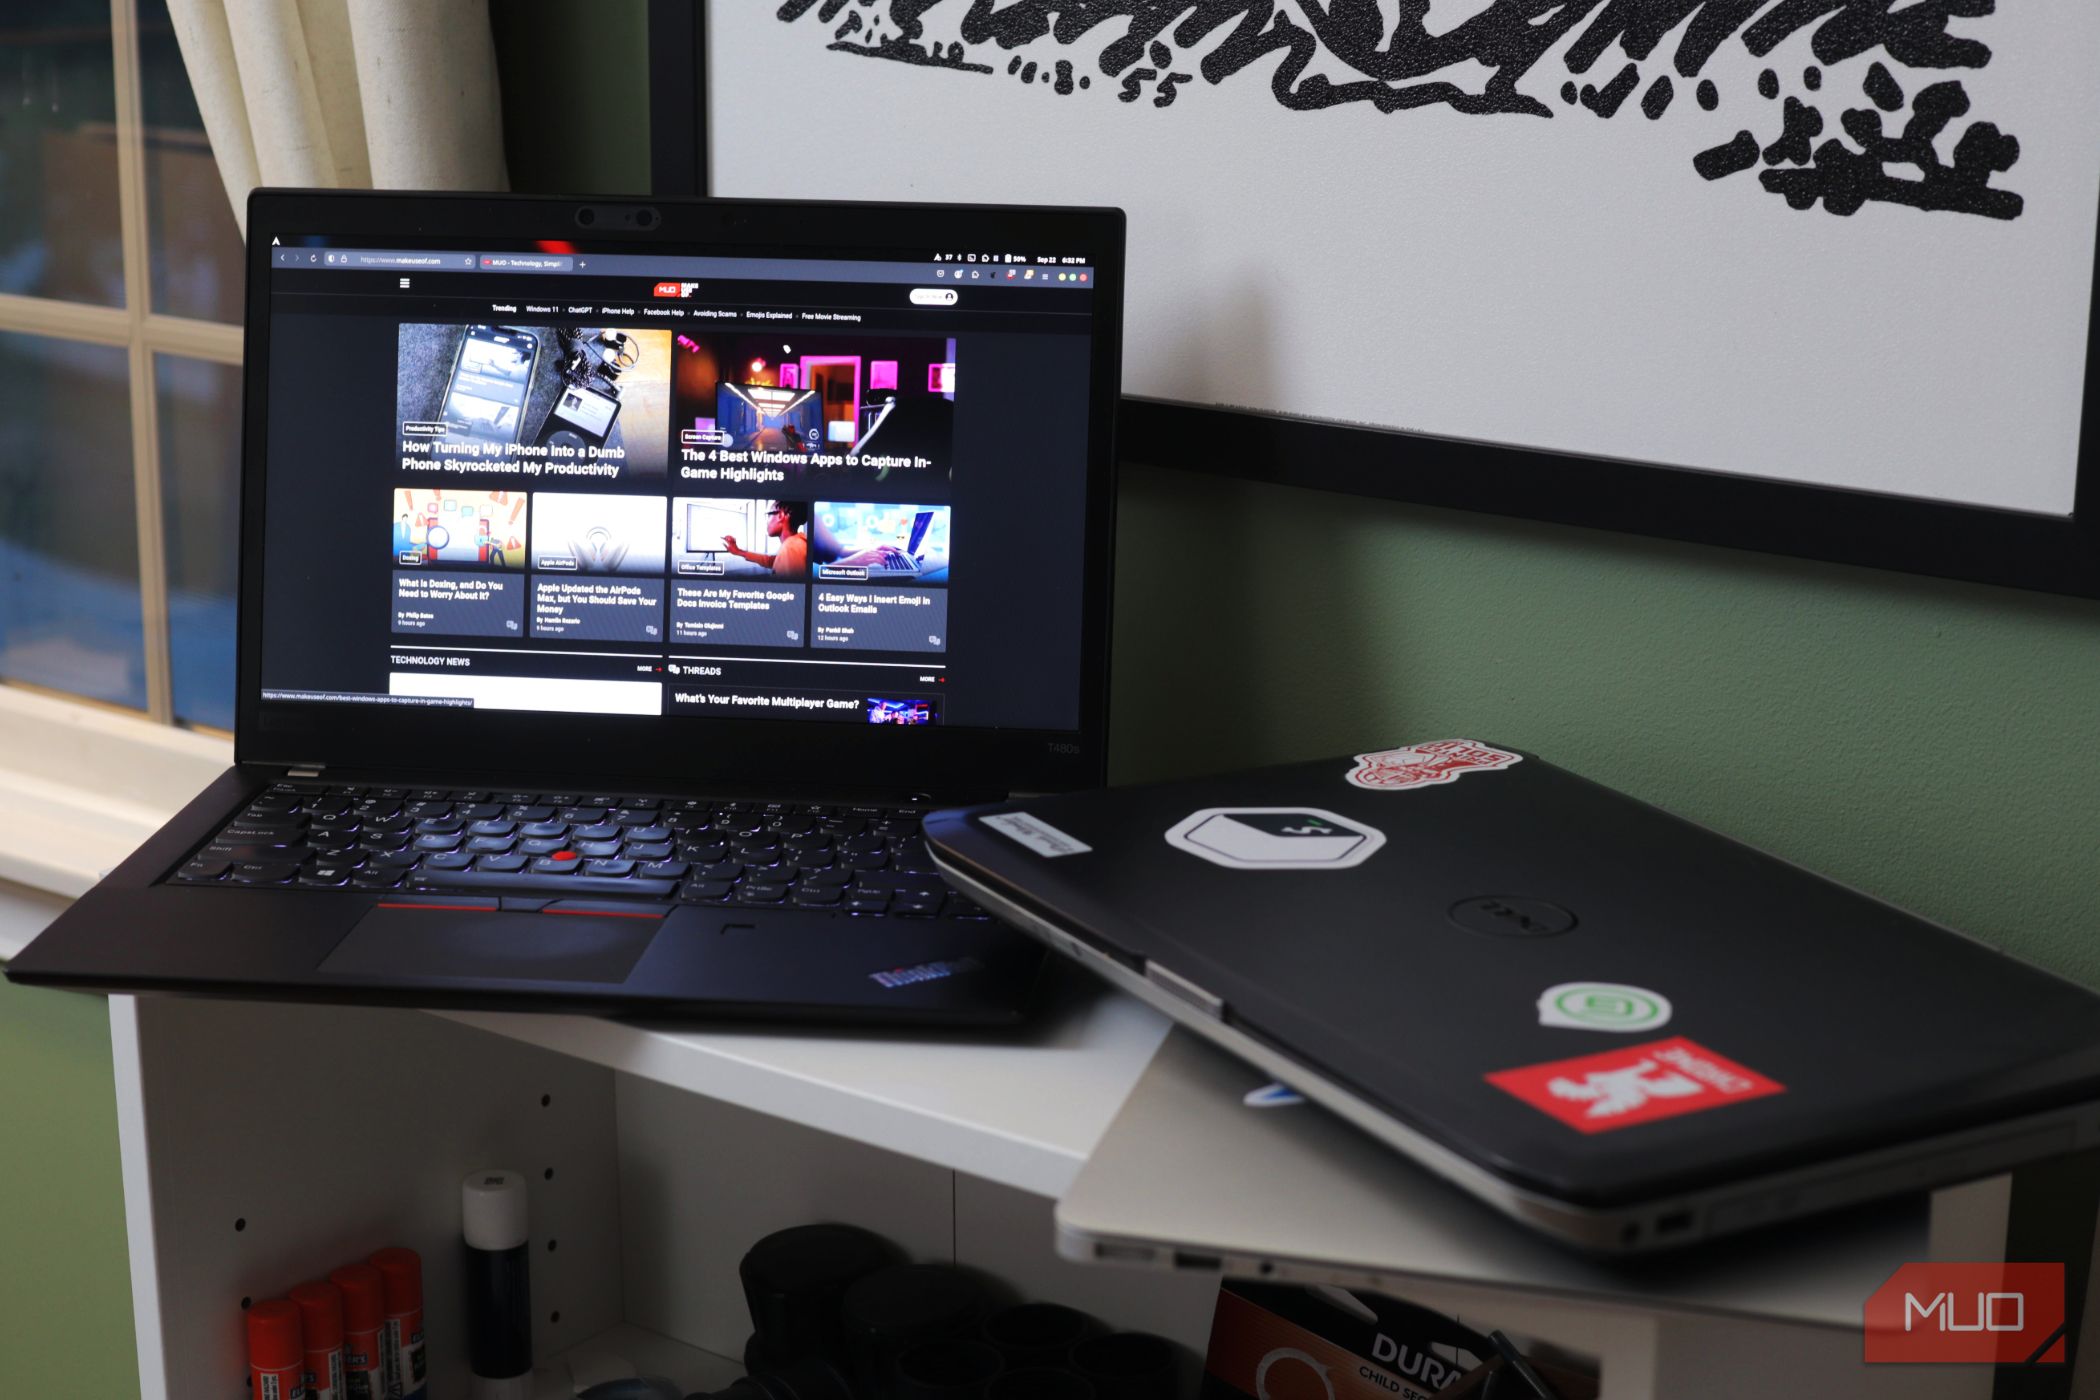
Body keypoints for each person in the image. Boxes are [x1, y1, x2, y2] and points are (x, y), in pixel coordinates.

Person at [723, 501, 809, 579]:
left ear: (780, 516)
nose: (767, 521)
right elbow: (771, 561)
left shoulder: (790, 547)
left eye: (769, 515)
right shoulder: (797, 544)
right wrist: (738, 551)